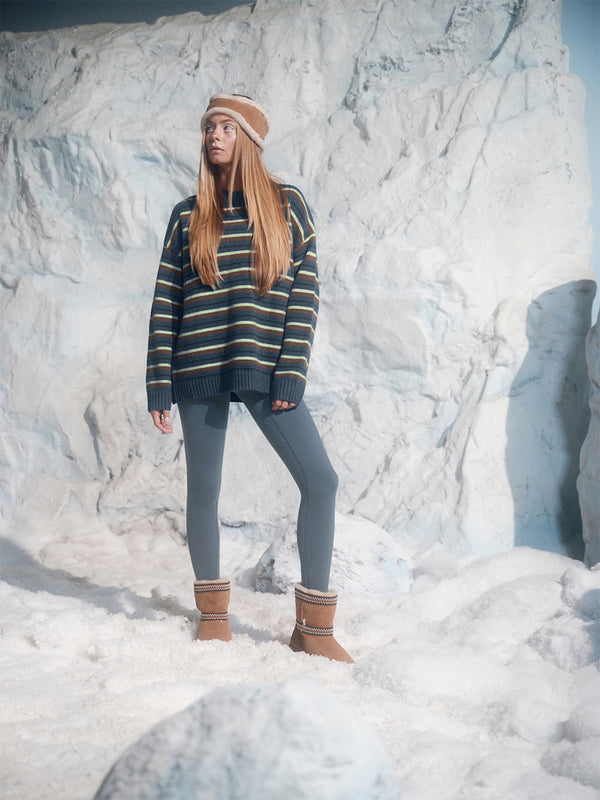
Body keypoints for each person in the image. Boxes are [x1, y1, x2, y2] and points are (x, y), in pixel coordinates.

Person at [146, 94, 353, 663]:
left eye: (226, 127)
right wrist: (157, 382)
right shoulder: (187, 216)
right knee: (204, 491)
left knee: (321, 480)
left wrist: (290, 373)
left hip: (264, 365)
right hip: (197, 365)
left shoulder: (289, 207)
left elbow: (304, 297)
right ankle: (213, 615)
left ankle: (313, 628)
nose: (214, 136)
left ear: (249, 141)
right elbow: (166, 301)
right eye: (209, 126)